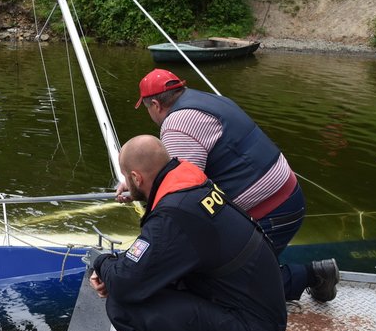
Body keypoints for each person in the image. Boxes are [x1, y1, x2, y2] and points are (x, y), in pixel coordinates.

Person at [90, 135, 287, 331]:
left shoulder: (173, 215)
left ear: (136, 176)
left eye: (127, 177)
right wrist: (121, 269)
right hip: (261, 317)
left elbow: (124, 283)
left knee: (122, 306)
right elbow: (151, 258)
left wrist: (102, 263)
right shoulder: (191, 182)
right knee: (145, 281)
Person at [126, 69, 339, 303]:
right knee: (218, 270)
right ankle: (305, 274)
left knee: (221, 289)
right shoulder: (207, 100)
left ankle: (314, 275)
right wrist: (134, 187)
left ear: (155, 104)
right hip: (285, 197)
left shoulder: (177, 125)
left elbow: (179, 197)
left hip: (270, 211)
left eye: (147, 109)